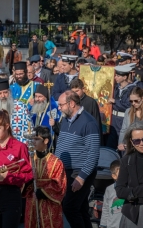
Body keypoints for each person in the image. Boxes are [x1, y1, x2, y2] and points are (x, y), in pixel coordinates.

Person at [55, 90, 100, 228]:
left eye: (61, 105)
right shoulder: (66, 119)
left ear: (72, 104)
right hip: (66, 171)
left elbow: (93, 153)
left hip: (79, 172)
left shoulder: (88, 122)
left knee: (70, 208)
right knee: (80, 208)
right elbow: (61, 143)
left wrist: (81, 177)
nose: (59, 108)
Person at [115, 121, 143, 228]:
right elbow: (120, 190)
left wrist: (132, 193)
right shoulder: (126, 160)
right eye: (137, 141)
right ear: (131, 142)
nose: (142, 143)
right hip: (132, 214)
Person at [23, 126, 67, 228]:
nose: (33, 141)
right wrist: (27, 183)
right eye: (32, 138)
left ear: (46, 141)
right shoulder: (29, 160)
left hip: (49, 204)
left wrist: (43, 191)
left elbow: (60, 185)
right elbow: (23, 179)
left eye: (37, 139)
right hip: (32, 202)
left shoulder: (56, 162)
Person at [118, 87, 143, 152]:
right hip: (131, 146)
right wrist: (121, 143)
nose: (133, 103)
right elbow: (124, 130)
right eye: (131, 101)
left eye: (136, 101)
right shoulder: (128, 111)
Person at [0, 78, 32, 143]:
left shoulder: (21, 106)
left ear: (9, 92)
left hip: (19, 143)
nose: (3, 96)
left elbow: (28, 127)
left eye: (5, 92)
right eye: (0, 93)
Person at [106, 64, 136, 149]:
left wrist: (115, 101)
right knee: (111, 143)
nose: (115, 77)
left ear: (125, 77)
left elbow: (128, 105)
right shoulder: (115, 88)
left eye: (118, 76)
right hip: (113, 119)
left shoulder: (132, 89)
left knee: (123, 143)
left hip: (123, 120)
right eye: (115, 75)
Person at [99, 160, 124, 228]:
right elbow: (106, 207)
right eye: (121, 173)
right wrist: (103, 224)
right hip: (112, 225)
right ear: (114, 176)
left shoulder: (130, 188)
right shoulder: (109, 189)